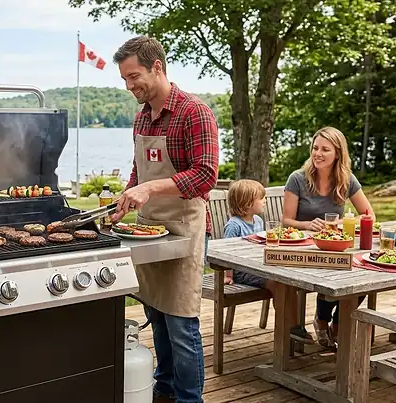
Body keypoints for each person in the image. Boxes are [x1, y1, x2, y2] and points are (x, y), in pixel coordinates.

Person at [108, 35, 218, 403]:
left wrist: (150, 190)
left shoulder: (193, 112)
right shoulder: (142, 118)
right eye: (124, 79)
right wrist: (126, 198)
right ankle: (164, 389)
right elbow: (140, 172)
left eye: (134, 76)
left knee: (182, 325)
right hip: (148, 232)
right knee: (156, 315)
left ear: (158, 67)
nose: (129, 86)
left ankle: (189, 399)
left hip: (184, 230)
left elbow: (205, 175)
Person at [282, 126, 375, 349]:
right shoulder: (298, 179)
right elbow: (286, 220)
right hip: (303, 250)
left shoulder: (346, 179)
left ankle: (338, 321)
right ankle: (322, 319)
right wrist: (307, 224)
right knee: (334, 273)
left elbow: (369, 214)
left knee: (366, 275)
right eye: (315, 148)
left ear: (337, 154)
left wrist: (341, 223)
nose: (318, 154)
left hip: (334, 246)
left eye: (325, 149)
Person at [222, 179, 314, 344]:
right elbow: (226, 253)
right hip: (242, 272)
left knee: (289, 280)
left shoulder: (257, 220)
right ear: (248, 202)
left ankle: (294, 326)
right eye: (261, 198)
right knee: (277, 283)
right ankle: (289, 327)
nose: (264, 201)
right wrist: (228, 275)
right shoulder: (234, 226)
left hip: (259, 267)